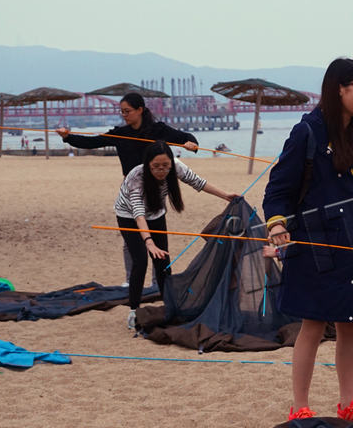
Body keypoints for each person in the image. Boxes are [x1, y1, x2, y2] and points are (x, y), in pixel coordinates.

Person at [263, 57, 353, 423]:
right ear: (339, 87)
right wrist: (277, 225)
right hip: (315, 241)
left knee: (351, 322)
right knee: (314, 324)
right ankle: (300, 407)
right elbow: (278, 189)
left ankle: (349, 403)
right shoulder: (307, 133)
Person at [56, 92, 200, 286]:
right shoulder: (120, 133)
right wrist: (68, 137)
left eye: (127, 111)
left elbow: (185, 137)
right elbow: (92, 142)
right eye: (121, 111)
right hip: (130, 189)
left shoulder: (158, 130)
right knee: (131, 237)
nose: (124, 115)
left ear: (140, 110)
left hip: (155, 189)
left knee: (157, 234)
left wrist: (192, 144)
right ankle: (130, 279)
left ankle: (159, 282)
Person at [115, 140, 235, 329]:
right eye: (156, 167)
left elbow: (199, 182)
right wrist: (149, 242)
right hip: (128, 216)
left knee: (163, 262)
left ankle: (168, 305)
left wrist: (226, 195)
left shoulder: (176, 168)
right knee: (140, 261)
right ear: (148, 165)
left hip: (155, 213)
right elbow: (138, 215)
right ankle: (133, 310)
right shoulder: (136, 177)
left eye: (165, 166)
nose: (161, 171)